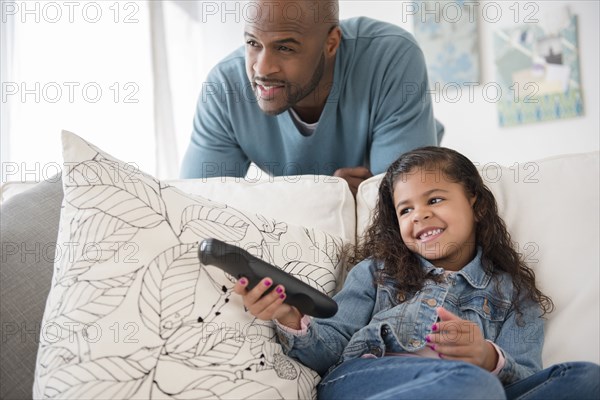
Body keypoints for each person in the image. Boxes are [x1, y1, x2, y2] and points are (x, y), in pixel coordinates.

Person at [234, 146, 600, 399]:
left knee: (586, 378)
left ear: (474, 202)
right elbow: (330, 349)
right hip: (368, 381)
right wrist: (288, 315)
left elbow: (526, 375)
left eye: (435, 200)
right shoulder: (377, 273)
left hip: (476, 388)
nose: (419, 215)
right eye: (405, 210)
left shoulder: (513, 294)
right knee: (473, 387)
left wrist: (486, 357)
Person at [180, 0, 442, 195]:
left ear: (331, 43)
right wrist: (325, 193)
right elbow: (196, 208)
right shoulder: (224, 89)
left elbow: (404, 203)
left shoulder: (391, 57)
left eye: (284, 47)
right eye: (252, 43)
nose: (262, 68)